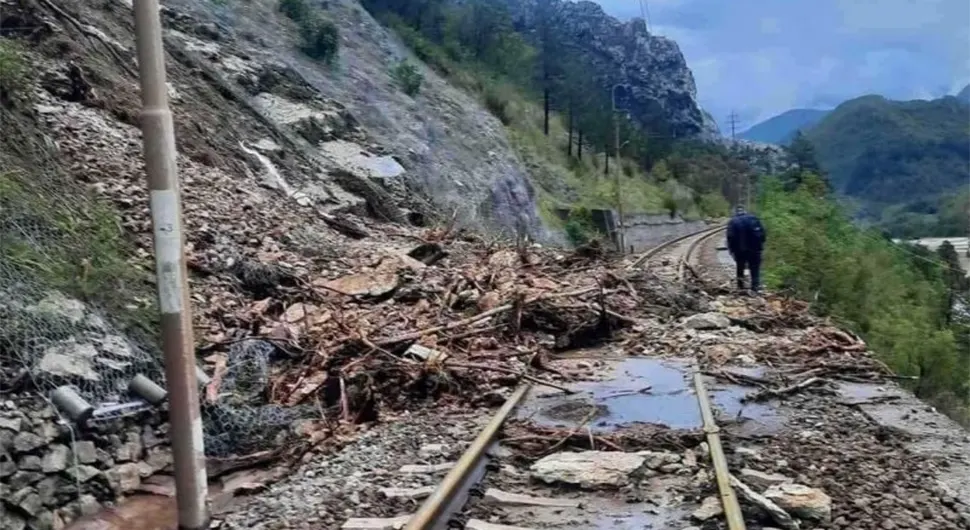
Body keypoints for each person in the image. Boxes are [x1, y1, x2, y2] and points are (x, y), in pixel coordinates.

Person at [726, 205, 766, 293]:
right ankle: (755, 287)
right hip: (755, 249)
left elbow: (730, 237)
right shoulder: (754, 218)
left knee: (740, 267)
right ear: (745, 211)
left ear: (736, 212)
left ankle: (740, 287)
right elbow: (763, 233)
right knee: (755, 268)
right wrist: (761, 245)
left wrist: (731, 249)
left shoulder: (733, 221)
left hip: (740, 250)